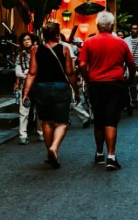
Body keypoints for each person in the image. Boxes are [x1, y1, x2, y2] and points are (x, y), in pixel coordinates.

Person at [77, 12, 134, 170]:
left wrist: (88, 78)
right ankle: (111, 156)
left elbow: (81, 64)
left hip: (96, 84)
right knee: (111, 119)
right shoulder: (121, 43)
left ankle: (99, 153)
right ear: (112, 25)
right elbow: (131, 63)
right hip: (115, 83)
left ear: (97, 26)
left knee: (99, 119)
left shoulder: (89, 42)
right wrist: (129, 78)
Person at [22, 22, 77, 169]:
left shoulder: (35, 49)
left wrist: (25, 92)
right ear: (57, 34)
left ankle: (49, 153)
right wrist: (76, 90)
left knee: (46, 121)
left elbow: (32, 73)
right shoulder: (65, 49)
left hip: (42, 88)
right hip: (60, 88)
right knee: (62, 122)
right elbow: (70, 73)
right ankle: (54, 147)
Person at [14, 32, 38, 144]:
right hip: (24, 85)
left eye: (28, 39)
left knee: (40, 110)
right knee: (24, 110)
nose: (26, 41)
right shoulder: (20, 56)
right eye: (24, 40)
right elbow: (18, 72)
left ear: (33, 41)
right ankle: (22, 135)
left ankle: (41, 132)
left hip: (38, 85)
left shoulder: (38, 53)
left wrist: (27, 72)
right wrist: (28, 75)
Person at [68, 37, 92, 125]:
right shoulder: (70, 48)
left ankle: (85, 116)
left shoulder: (69, 48)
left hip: (69, 77)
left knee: (73, 100)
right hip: (72, 77)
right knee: (73, 100)